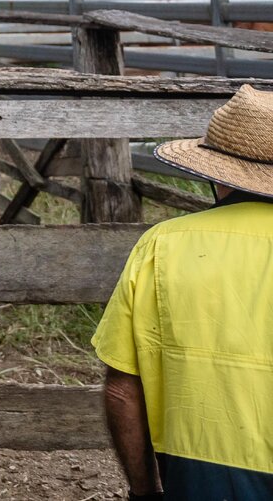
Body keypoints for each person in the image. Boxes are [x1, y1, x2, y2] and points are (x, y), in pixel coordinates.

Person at [93, 84, 273, 500]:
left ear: (215, 175)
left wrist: (142, 489)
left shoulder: (162, 245)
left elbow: (122, 388)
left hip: (201, 474)